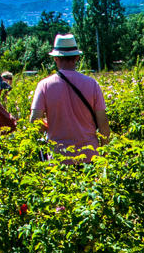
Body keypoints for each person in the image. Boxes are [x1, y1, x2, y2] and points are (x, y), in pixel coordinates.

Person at [29, 34, 110, 162]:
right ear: (77, 57)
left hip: (59, 158)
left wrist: (48, 125)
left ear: (55, 58)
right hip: (89, 156)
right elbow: (103, 122)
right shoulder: (92, 84)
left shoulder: (44, 85)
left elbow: (34, 122)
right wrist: (104, 153)